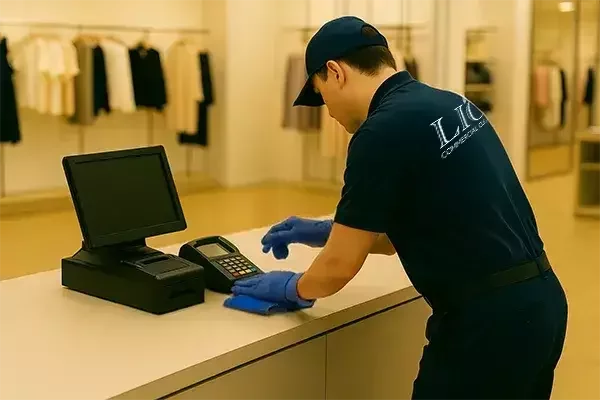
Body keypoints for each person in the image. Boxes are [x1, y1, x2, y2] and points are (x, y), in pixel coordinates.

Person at [231, 16, 568, 400]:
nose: (328, 112)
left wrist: (293, 287)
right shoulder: (449, 102)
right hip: (541, 306)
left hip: (487, 327)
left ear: (335, 72)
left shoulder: (379, 131)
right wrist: (329, 230)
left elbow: (338, 268)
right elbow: (404, 233)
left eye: (322, 96)